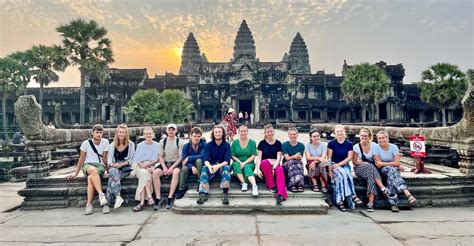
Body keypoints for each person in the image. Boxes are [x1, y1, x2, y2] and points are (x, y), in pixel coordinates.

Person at [67, 124, 109, 215]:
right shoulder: (86, 143)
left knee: (91, 178)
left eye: (101, 132)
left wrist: (108, 170)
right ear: (92, 133)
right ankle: (102, 197)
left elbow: (105, 158)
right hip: (88, 165)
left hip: (100, 166)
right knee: (93, 170)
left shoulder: (105, 142)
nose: (99, 134)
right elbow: (81, 159)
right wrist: (76, 173)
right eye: (97, 132)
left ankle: (89, 204)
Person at [374, 131, 417, 212]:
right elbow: (379, 165)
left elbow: (397, 163)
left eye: (383, 137)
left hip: (392, 169)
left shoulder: (394, 147)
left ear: (387, 138)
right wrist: (391, 163)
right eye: (379, 138)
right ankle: (406, 192)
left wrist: (386, 163)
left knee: (391, 175)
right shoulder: (376, 148)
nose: (381, 140)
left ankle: (393, 204)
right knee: (392, 170)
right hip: (382, 170)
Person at [352, 127, 391, 212]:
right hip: (359, 168)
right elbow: (354, 162)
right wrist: (363, 163)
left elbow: (381, 156)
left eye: (366, 136)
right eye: (362, 136)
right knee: (370, 166)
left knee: (371, 176)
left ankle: (370, 203)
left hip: (371, 170)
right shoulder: (356, 147)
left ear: (369, 136)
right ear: (359, 136)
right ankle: (382, 188)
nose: (363, 137)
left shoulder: (374, 145)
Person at [327, 125, 362, 212]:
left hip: (344, 165)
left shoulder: (349, 144)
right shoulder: (331, 143)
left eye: (341, 131)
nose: (339, 133)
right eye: (337, 131)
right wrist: (329, 170)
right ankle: (352, 195)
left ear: (344, 132)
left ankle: (340, 201)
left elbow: (349, 158)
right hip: (334, 165)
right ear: (335, 133)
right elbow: (329, 158)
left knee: (346, 175)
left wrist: (339, 164)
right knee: (343, 175)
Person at [104, 124, 135, 213]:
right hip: (115, 167)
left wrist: (121, 165)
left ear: (126, 134)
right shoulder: (112, 145)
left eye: (123, 132)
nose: (121, 134)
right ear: (117, 133)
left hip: (125, 168)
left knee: (112, 178)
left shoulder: (131, 144)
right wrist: (115, 165)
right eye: (120, 132)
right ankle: (118, 196)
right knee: (114, 173)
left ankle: (108, 202)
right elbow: (109, 161)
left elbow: (131, 160)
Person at [197, 125, 232, 205]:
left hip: (222, 166)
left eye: (219, 132)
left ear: (223, 133)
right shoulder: (208, 145)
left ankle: (225, 193)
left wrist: (218, 166)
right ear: (213, 133)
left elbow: (227, 160)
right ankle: (203, 193)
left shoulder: (226, 145)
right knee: (205, 168)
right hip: (211, 166)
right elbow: (205, 159)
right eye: (216, 132)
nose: (217, 133)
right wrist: (210, 167)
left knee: (226, 168)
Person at [153, 123, 184, 209]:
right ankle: (158, 197)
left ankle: (170, 197)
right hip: (165, 162)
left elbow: (180, 157)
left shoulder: (179, 141)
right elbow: (160, 156)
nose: (171, 131)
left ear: (176, 131)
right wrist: (164, 167)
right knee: (155, 173)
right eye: (169, 129)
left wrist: (171, 167)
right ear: (166, 131)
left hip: (175, 163)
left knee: (176, 172)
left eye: (173, 129)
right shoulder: (162, 141)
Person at [255, 124, 287, 205]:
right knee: (265, 162)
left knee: (279, 170)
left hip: (275, 164)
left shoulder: (278, 143)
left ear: (274, 132)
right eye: (268, 132)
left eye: (271, 131)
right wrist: (257, 169)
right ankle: (271, 186)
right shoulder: (262, 143)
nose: (270, 133)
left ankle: (281, 194)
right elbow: (259, 158)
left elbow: (278, 157)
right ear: (265, 133)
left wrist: (274, 167)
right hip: (265, 165)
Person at [132, 127, 159, 212]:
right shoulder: (140, 145)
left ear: (153, 135)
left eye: (150, 133)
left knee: (145, 175)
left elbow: (157, 159)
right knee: (144, 173)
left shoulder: (157, 145)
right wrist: (144, 166)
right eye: (146, 134)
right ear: (144, 135)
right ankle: (149, 197)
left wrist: (150, 166)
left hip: (151, 166)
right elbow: (137, 159)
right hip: (140, 166)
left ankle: (141, 203)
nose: (148, 135)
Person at [175, 127, 206, 199]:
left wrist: (189, 158)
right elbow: (183, 159)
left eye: (198, 136)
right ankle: (181, 189)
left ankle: (200, 182)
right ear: (191, 136)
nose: (196, 138)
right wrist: (191, 166)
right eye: (194, 136)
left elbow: (203, 156)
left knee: (199, 161)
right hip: (189, 166)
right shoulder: (186, 146)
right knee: (184, 168)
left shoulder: (204, 144)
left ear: (201, 136)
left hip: (200, 166)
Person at [231, 125, 258, 196]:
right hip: (238, 162)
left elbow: (253, 155)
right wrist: (240, 162)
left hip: (249, 163)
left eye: (245, 131)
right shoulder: (234, 143)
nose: (243, 133)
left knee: (247, 167)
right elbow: (233, 155)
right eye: (241, 131)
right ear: (238, 132)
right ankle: (244, 183)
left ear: (247, 132)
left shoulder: (252, 142)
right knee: (235, 164)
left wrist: (245, 163)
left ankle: (254, 186)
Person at [305, 128, 328, 193]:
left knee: (322, 165)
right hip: (311, 162)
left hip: (321, 162)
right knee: (311, 165)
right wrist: (317, 159)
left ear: (319, 136)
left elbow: (323, 158)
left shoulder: (323, 145)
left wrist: (315, 161)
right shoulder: (308, 146)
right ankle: (315, 185)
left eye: (317, 136)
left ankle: (324, 185)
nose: (316, 138)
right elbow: (308, 157)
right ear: (311, 138)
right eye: (314, 136)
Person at [282, 128, 305, 193]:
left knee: (299, 163)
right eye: (291, 134)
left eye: (294, 134)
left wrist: (296, 157)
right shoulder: (284, 145)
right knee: (292, 162)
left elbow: (300, 157)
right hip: (286, 164)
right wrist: (295, 156)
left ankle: (300, 184)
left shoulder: (301, 145)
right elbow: (287, 158)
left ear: (297, 135)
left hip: (297, 162)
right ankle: (292, 185)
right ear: (288, 135)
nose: (293, 136)